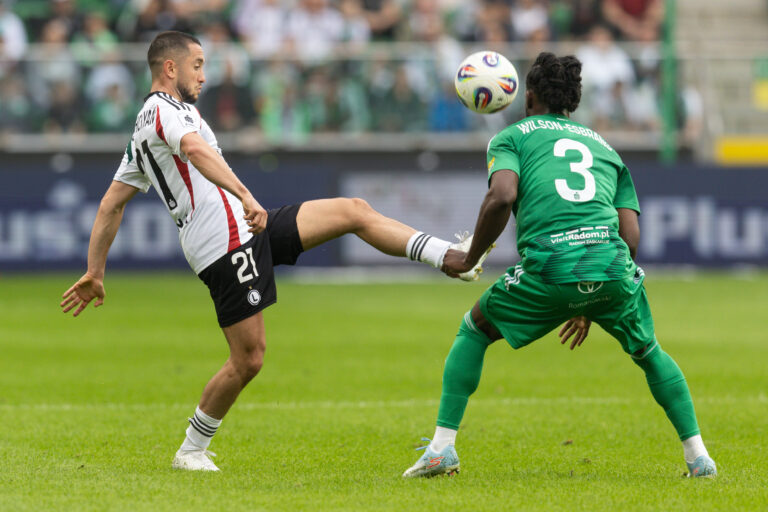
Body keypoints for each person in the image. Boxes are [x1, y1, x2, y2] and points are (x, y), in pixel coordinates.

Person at [59, 31, 491, 472]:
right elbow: (192, 149)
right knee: (248, 358)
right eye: (197, 65)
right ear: (170, 68)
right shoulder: (164, 111)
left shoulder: (147, 125)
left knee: (353, 211)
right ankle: (190, 450)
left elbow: (111, 203)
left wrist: (95, 271)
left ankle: (451, 257)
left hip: (246, 227)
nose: (204, 76)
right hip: (224, 243)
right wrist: (245, 194)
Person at [402, 52, 717, 479]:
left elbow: (501, 196)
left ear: (528, 96)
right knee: (648, 351)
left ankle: (442, 449)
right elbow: (631, 235)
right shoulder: (604, 147)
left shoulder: (511, 138)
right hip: (612, 266)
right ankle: (699, 457)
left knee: (474, 330)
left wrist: (469, 257)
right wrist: (592, 299)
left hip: (552, 266)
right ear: (573, 101)